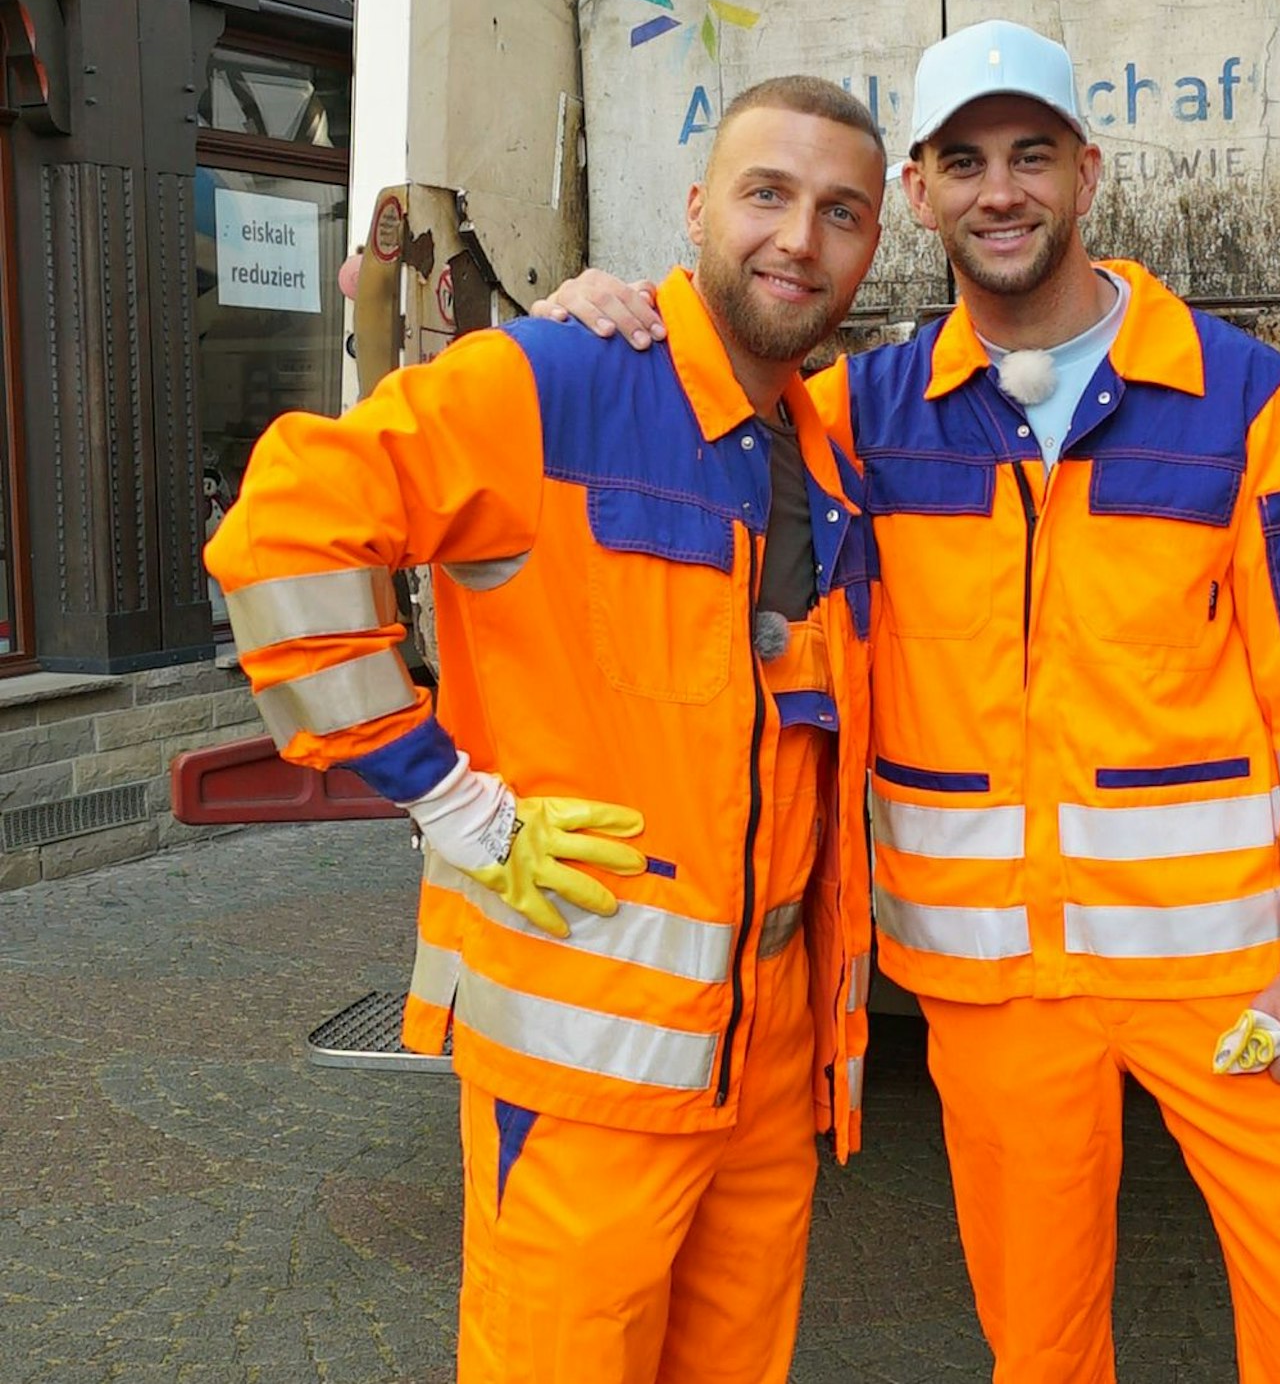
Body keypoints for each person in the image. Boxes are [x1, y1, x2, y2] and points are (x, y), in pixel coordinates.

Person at [542, 21, 1280, 1383]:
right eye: (963, 161)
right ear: (920, 194)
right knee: (1041, 1343)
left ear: (1086, 173)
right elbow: (702, 395)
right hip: (992, 987)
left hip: (1228, 975)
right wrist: (596, 329)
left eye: (1028, 156)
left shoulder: (1245, 401)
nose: (997, 190)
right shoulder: (859, 414)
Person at [206, 76, 887, 1384]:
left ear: (870, 248)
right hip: (581, 1079)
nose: (800, 237)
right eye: (767, 193)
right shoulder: (560, 379)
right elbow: (282, 534)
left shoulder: (825, 447)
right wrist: (453, 805)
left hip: (765, 1067)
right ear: (696, 212)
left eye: (840, 212)